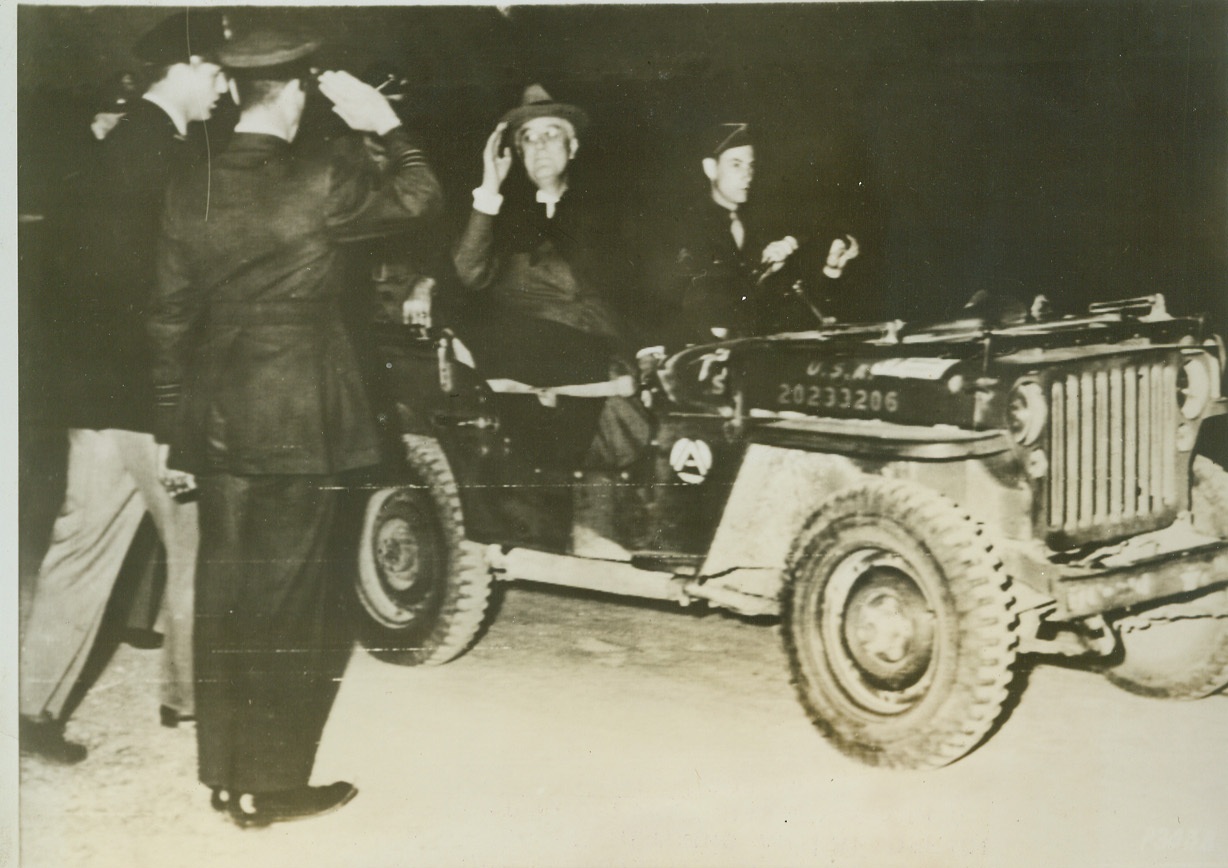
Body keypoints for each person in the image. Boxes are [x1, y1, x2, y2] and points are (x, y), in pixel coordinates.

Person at [148, 28, 442, 827]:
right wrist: (384, 123)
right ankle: (269, 785)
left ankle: (223, 771)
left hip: (215, 415)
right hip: (298, 417)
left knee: (226, 593)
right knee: (291, 605)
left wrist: (175, 432)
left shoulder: (191, 180)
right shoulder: (324, 173)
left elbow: (169, 319)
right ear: (293, 92)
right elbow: (421, 197)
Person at [19, 9, 229, 765]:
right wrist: (178, 407)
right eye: (216, 72)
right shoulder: (170, 159)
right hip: (153, 403)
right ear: (184, 71)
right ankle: (190, 701)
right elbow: (170, 298)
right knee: (201, 550)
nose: (223, 88)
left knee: (78, 551)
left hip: (95, 398)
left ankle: (31, 710)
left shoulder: (105, 152)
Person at [452, 84, 633, 389]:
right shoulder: (501, 218)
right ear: (520, 155)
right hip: (520, 366)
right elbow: (469, 274)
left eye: (550, 135)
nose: (539, 147)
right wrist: (489, 188)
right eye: (528, 139)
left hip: (595, 361)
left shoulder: (609, 212)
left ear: (572, 147)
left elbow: (638, 294)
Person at [671, 122, 860, 345]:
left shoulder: (757, 226)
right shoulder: (686, 229)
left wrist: (832, 270)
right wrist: (761, 272)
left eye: (751, 165)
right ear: (710, 169)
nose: (747, 175)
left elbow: (790, 319)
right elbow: (707, 319)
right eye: (736, 165)